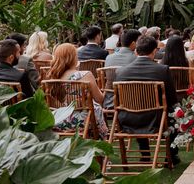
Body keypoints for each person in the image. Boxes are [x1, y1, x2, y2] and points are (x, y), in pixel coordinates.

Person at [114, 36, 179, 165]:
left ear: (136, 51)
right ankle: (171, 154)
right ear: (155, 51)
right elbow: (172, 99)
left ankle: (145, 153)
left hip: (127, 119)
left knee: (138, 110)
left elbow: (119, 100)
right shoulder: (162, 70)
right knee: (173, 112)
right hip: (155, 120)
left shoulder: (121, 71)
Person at [47, 43, 108, 138]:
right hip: (83, 120)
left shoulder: (52, 78)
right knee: (96, 108)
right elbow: (99, 99)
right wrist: (105, 89)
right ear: (73, 58)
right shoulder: (85, 75)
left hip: (59, 118)